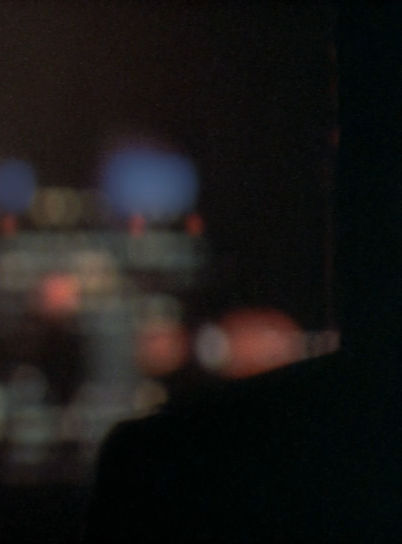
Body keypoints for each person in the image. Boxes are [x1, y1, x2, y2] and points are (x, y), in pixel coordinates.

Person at [84, 4, 401, 542]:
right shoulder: (174, 462)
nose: (334, 176)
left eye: (345, 139)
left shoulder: (178, 469)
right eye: (335, 134)